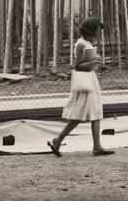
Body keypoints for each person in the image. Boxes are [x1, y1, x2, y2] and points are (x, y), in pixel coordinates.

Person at [48, 17, 114, 156]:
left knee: (95, 112)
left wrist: (94, 62)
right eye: (97, 29)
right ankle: (58, 141)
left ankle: (96, 146)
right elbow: (77, 65)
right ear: (92, 30)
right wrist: (92, 63)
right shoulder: (81, 45)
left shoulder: (88, 42)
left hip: (90, 79)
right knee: (80, 116)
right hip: (85, 82)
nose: (99, 32)